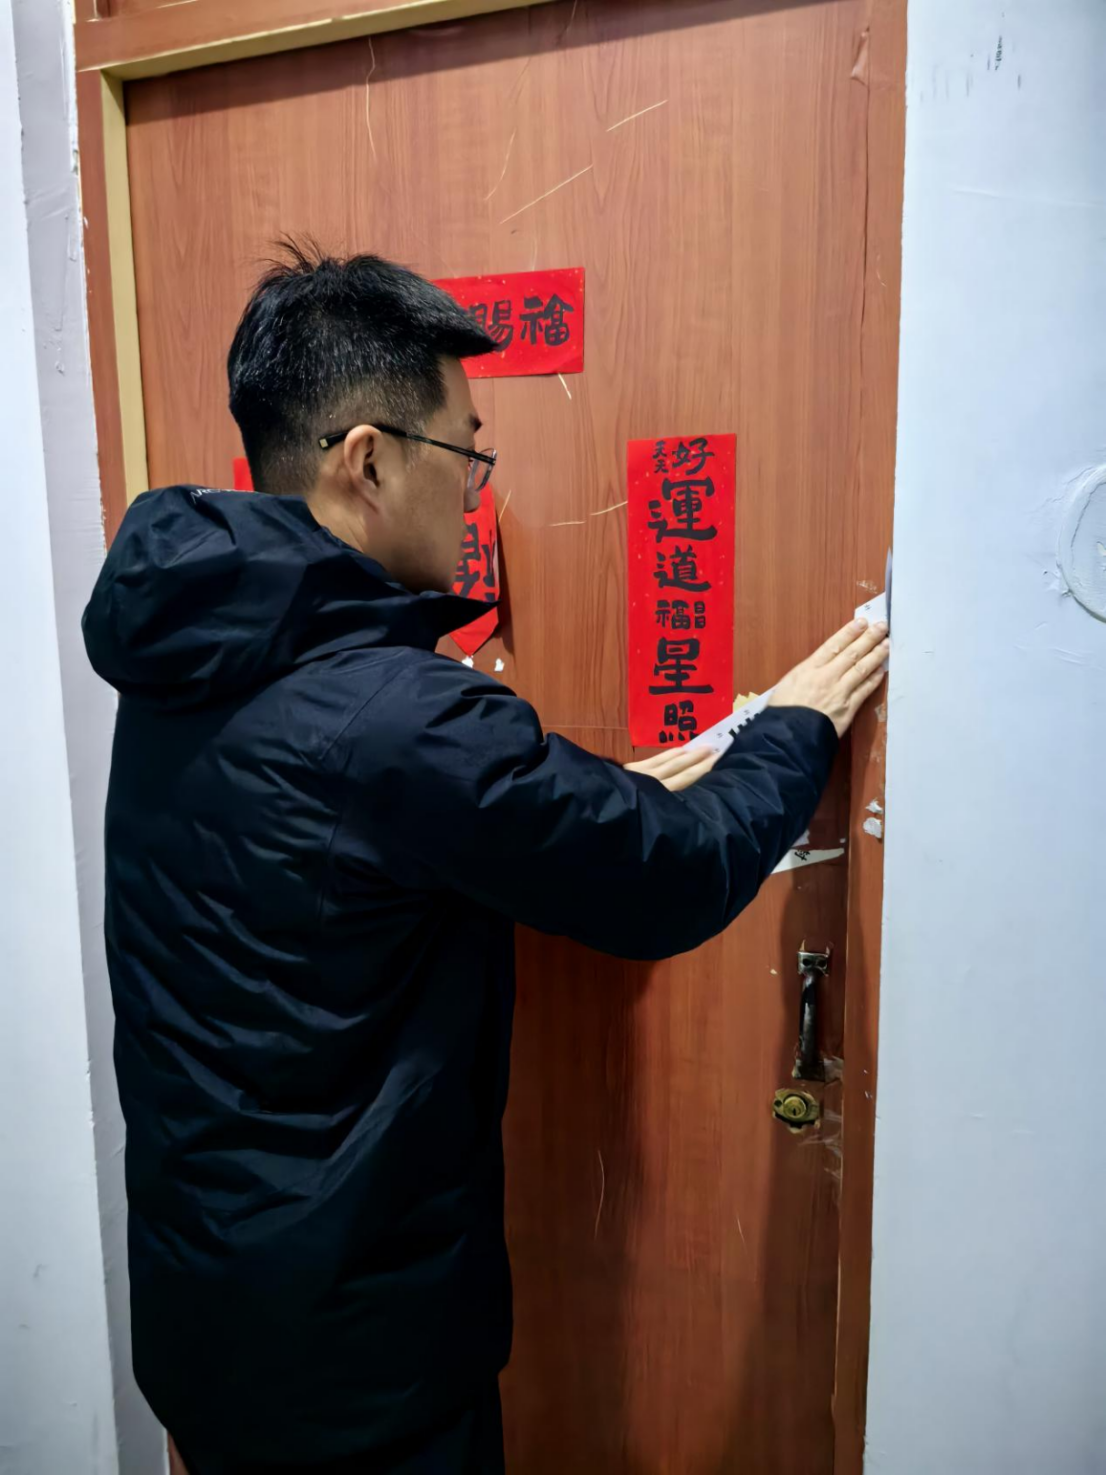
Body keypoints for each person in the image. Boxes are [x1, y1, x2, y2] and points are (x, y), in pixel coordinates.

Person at [82, 244, 889, 1475]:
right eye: (464, 451)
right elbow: (669, 875)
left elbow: (360, 836)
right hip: (359, 1371)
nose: (472, 489)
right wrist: (795, 724)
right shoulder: (398, 717)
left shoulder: (197, 647)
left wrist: (604, 788)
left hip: (212, 1318)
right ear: (367, 460)